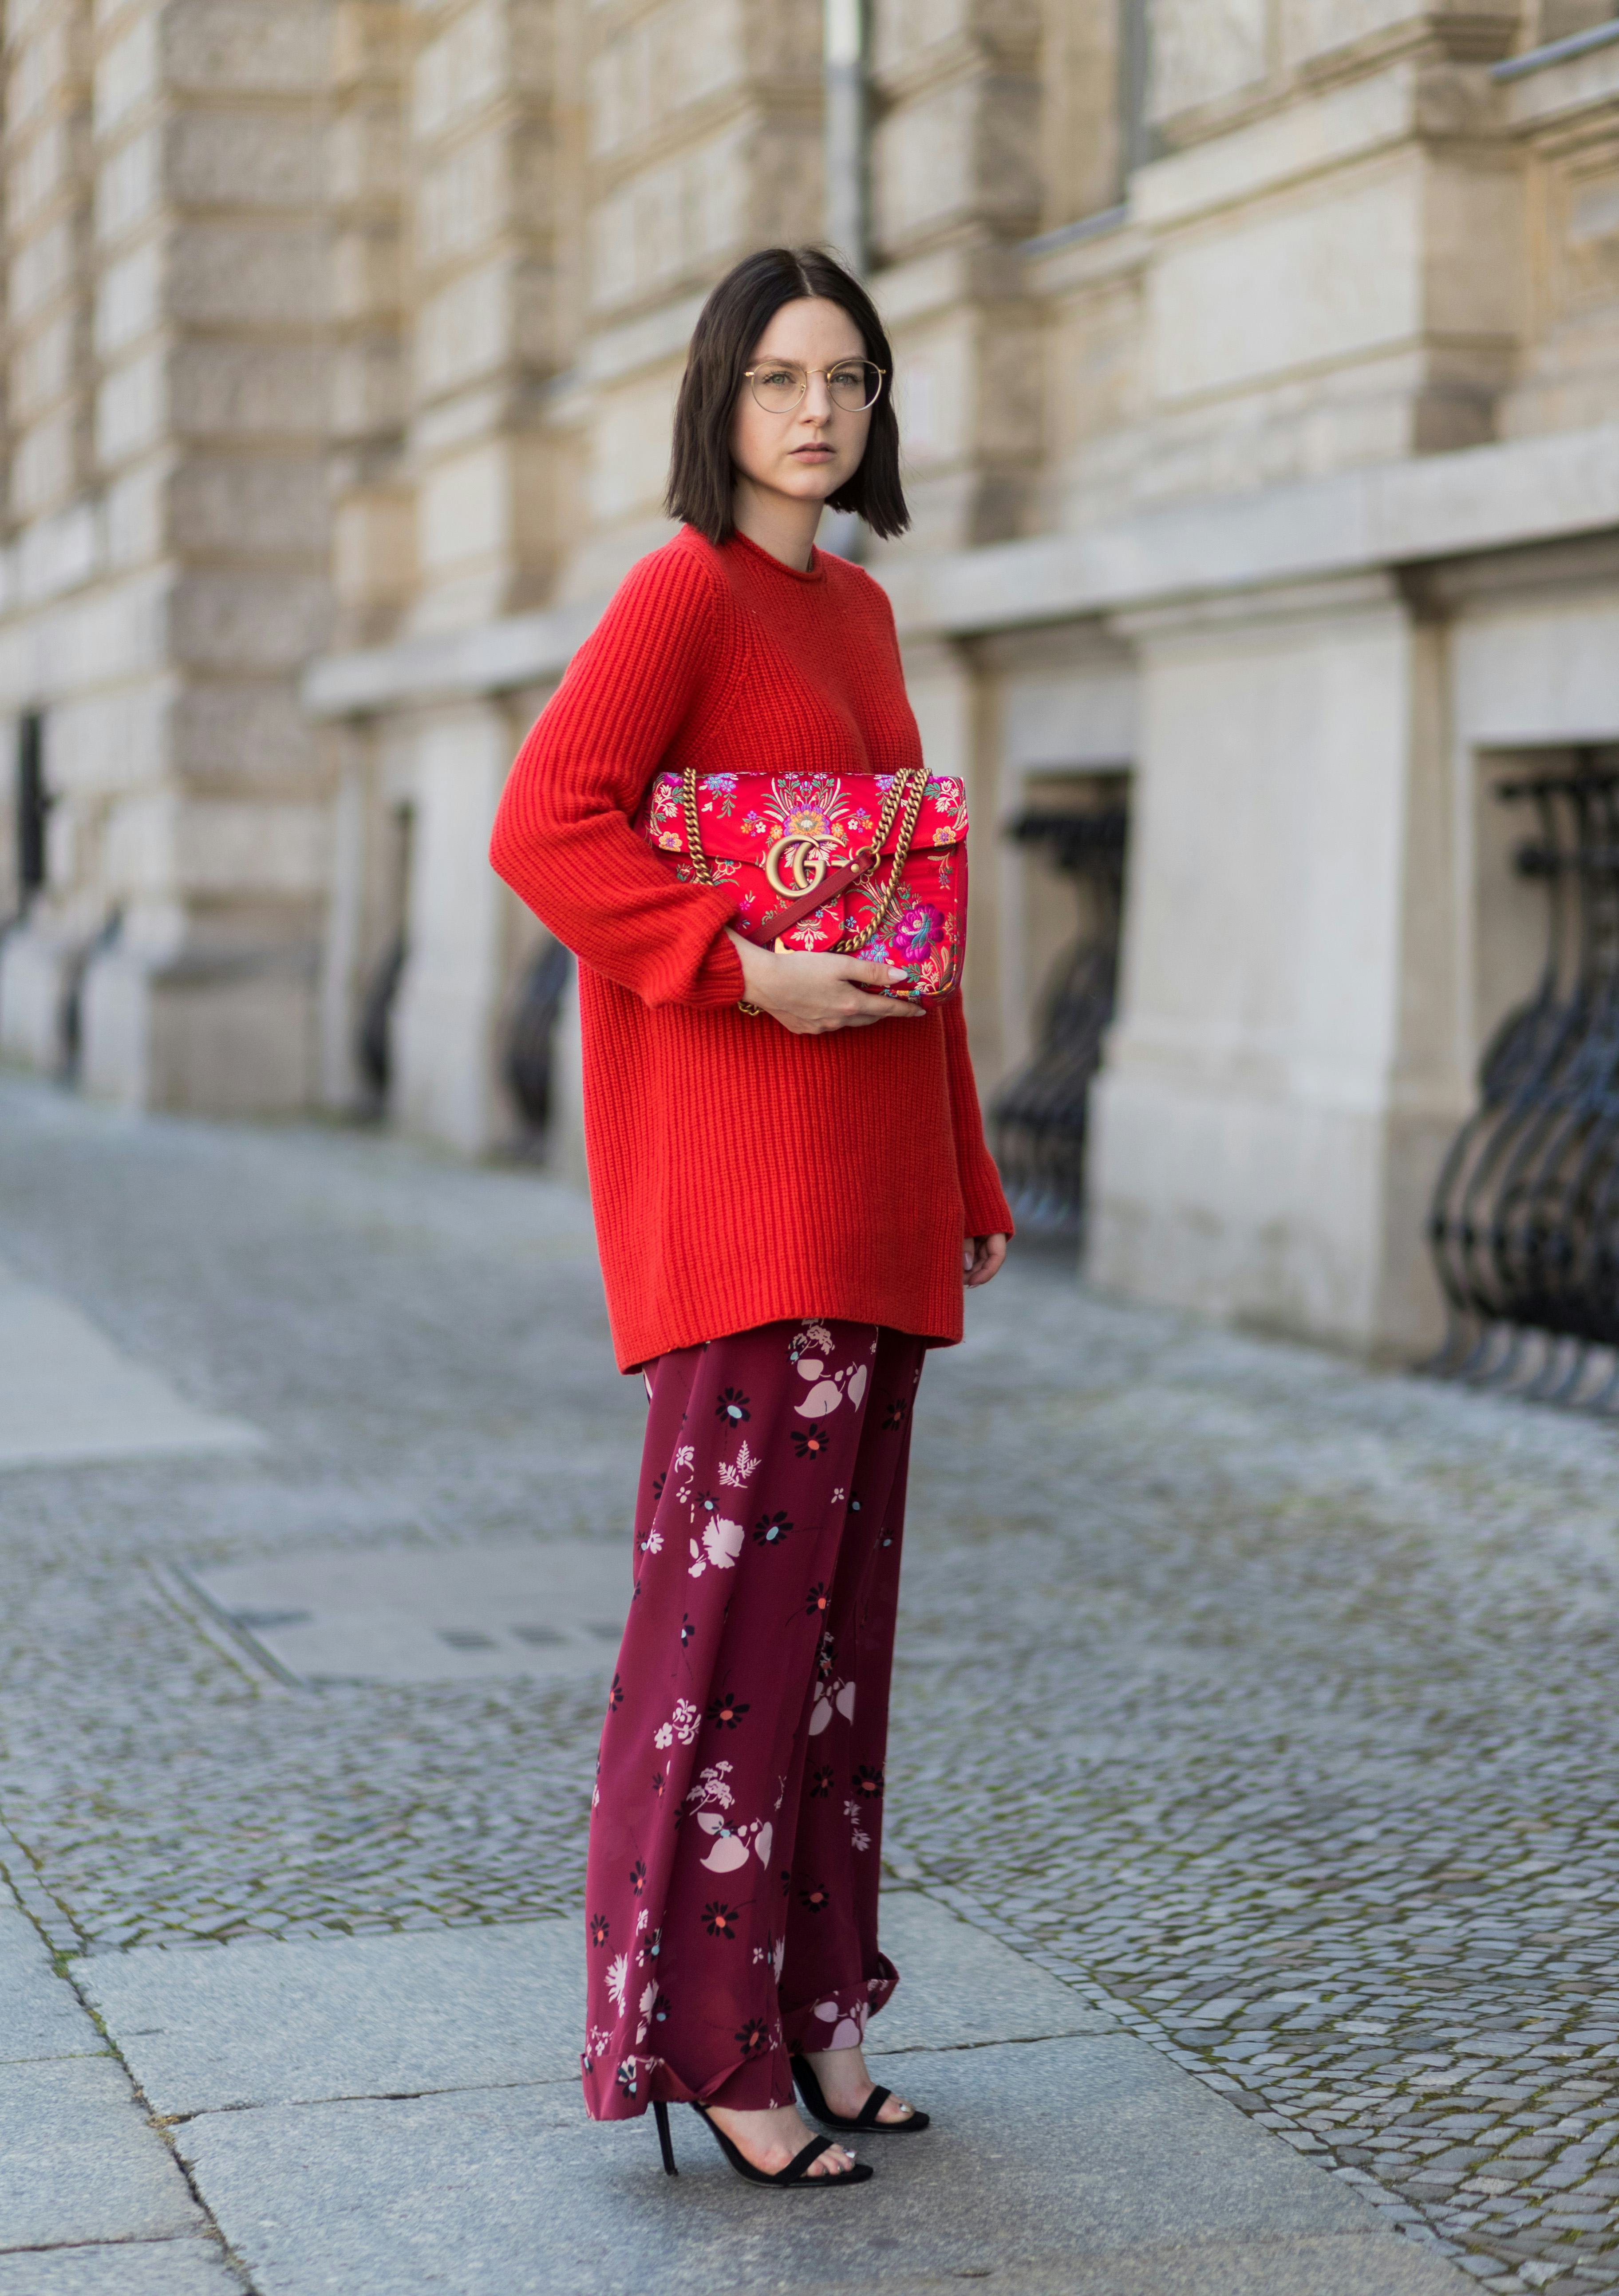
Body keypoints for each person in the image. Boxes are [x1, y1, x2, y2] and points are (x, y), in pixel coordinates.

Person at [489, 244, 1012, 2190]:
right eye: (783, 375)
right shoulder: (681, 593)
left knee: (835, 1649)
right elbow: (547, 821)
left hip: (871, 1191)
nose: (819, 410)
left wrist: (960, 1174)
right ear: (720, 400)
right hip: (748, 1195)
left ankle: (815, 2013)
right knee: (726, 1638)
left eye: (852, 379)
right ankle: (712, 2049)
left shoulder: (863, 617)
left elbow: (914, 922)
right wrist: (734, 968)